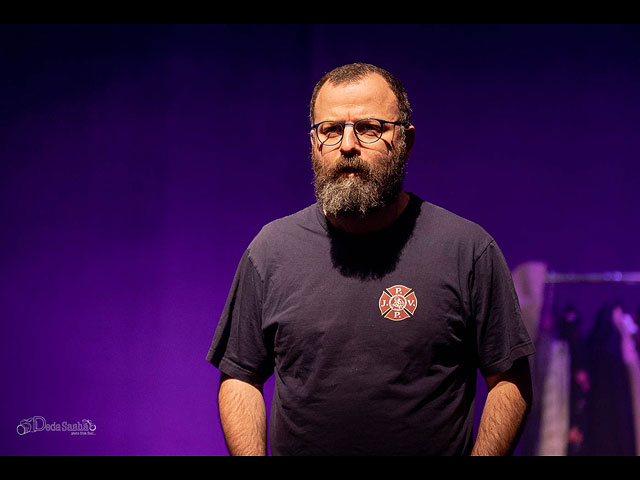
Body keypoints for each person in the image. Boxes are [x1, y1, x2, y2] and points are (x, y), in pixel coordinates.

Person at [206, 63, 535, 456]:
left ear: (406, 141)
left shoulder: (466, 249)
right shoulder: (271, 250)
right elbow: (240, 378)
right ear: (313, 143)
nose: (347, 145)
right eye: (330, 130)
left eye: (368, 128)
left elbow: (509, 381)